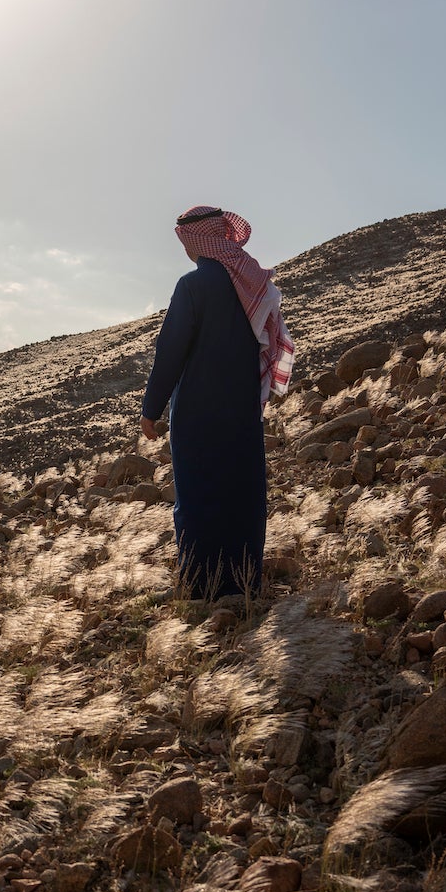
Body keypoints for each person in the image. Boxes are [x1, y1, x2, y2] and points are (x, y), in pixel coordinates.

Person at [140, 206, 294, 600]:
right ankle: (244, 578)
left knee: (199, 492)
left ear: (195, 241)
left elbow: (170, 351)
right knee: (241, 489)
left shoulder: (193, 286)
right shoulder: (251, 281)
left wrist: (151, 409)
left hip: (197, 410)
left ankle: (202, 585)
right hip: (242, 406)